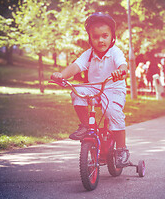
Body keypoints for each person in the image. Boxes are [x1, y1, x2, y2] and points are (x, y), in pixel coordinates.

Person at [51, 12, 129, 167]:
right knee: (77, 91)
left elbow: (123, 65)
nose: (101, 40)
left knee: (112, 113)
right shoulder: (88, 55)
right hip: (94, 88)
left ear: (112, 36)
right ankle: (86, 125)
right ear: (90, 38)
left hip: (113, 88)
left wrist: (120, 71)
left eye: (105, 36)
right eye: (96, 37)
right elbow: (76, 66)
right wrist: (61, 75)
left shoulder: (115, 52)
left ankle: (121, 149)